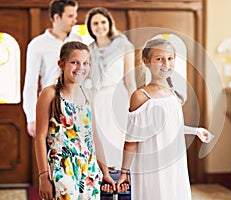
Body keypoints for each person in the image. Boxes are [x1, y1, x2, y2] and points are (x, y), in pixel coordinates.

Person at [116, 38, 214, 200]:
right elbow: (132, 138)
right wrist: (124, 171)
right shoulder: (140, 96)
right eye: (159, 59)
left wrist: (195, 131)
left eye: (170, 59)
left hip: (174, 161)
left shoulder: (173, 93)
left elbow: (171, 127)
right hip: (151, 162)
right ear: (146, 62)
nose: (165, 64)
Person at [35, 41, 115, 200]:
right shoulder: (49, 94)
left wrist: (104, 172)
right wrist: (43, 176)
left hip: (89, 170)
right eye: (74, 62)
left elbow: (94, 137)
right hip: (63, 171)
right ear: (61, 64)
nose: (80, 67)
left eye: (85, 63)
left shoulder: (88, 95)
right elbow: (39, 137)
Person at [85, 7, 136, 169]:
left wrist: (135, 106)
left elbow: (130, 80)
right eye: (95, 23)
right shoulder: (88, 50)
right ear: (90, 27)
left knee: (118, 138)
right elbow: (85, 79)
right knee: (100, 138)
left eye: (103, 22)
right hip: (97, 99)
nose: (99, 26)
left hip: (118, 97)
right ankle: (103, 178)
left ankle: (122, 180)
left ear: (109, 23)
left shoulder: (124, 45)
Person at [23, 0, 82, 137]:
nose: (75, 20)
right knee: (52, 155)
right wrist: (31, 118)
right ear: (57, 17)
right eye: (70, 16)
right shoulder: (37, 45)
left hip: (77, 108)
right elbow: (30, 84)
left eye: (75, 15)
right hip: (50, 108)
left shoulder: (78, 40)